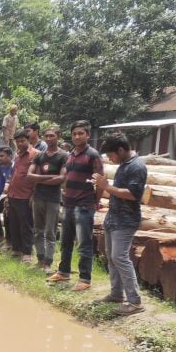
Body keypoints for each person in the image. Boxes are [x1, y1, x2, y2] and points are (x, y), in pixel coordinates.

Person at [47, 120, 104, 291]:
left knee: (84, 243)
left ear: (88, 135)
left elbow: (100, 180)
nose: (77, 136)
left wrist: (95, 201)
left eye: (81, 133)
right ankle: (63, 271)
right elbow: (68, 176)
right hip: (69, 204)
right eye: (74, 134)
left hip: (84, 205)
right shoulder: (71, 153)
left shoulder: (93, 155)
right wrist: (65, 190)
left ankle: (85, 279)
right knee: (66, 240)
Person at [93, 134, 146, 315]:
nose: (110, 159)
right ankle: (116, 293)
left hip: (126, 220)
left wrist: (106, 187)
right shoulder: (124, 165)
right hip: (114, 218)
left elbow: (133, 194)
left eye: (111, 155)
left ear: (121, 150)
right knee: (112, 257)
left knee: (120, 258)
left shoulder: (137, 167)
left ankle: (135, 302)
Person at [27, 126, 67, 271]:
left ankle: (48, 262)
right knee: (38, 230)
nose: (49, 139)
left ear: (58, 136)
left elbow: (62, 178)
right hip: (38, 197)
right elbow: (29, 175)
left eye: (52, 136)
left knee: (50, 231)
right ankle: (40, 258)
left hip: (53, 198)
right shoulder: (39, 156)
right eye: (47, 136)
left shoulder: (63, 156)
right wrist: (51, 177)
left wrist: (39, 179)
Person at [6, 130, 38, 261]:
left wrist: (33, 195)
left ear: (28, 140)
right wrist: (8, 195)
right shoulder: (17, 155)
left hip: (26, 196)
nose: (20, 143)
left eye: (22, 141)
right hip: (14, 194)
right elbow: (13, 175)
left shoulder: (35, 155)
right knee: (14, 224)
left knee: (26, 225)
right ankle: (16, 249)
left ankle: (27, 252)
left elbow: (37, 177)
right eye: (17, 141)